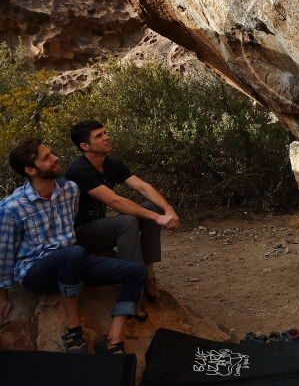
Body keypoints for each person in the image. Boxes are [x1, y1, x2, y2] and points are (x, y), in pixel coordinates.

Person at [0, 137, 147, 353]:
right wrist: (2, 295)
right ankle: (73, 329)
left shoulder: (69, 190)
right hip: (36, 271)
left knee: (136, 271)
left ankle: (114, 340)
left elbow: (72, 222)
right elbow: (4, 251)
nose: (55, 158)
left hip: (73, 263)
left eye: (51, 153)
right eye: (47, 157)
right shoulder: (12, 206)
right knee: (73, 253)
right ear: (30, 170)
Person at [65, 120, 178, 302]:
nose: (106, 137)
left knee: (153, 206)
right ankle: (132, 288)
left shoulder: (111, 163)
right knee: (128, 221)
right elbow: (114, 201)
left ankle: (148, 273)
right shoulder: (78, 170)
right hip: (79, 234)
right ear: (85, 146)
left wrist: (167, 209)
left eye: (105, 133)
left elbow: (142, 187)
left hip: (99, 227)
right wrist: (158, 218)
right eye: (99, 136)